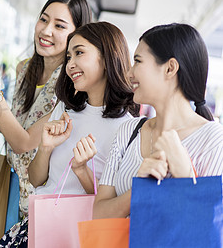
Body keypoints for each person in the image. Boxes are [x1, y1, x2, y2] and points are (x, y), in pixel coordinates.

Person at [0, 21, 139, 247]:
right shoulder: (65, 110)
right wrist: (46, 147)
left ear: (107, 57)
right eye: (69, 57)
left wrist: (82, 171)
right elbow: (36, 179)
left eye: (79, 53)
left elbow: (113, 207)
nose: (70, 64)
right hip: (39, 230)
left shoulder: (128, 129)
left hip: (79, 239)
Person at [0, 0, 92, 218]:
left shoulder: (72, 84)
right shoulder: (24, 68)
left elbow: (26, 143)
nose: (46, 31)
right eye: (44, 19)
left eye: (59, 26)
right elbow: (21, 130)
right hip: (11, 185)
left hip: (41, 200)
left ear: (76, 35)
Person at [93, 23, 223, 219]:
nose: (129, 73)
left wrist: (184, 173)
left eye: (137, 61)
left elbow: (208, 230)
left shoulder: (213, 140)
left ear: (170, 68)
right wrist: (139, 188)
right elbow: (99, 215)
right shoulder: (129, 131)